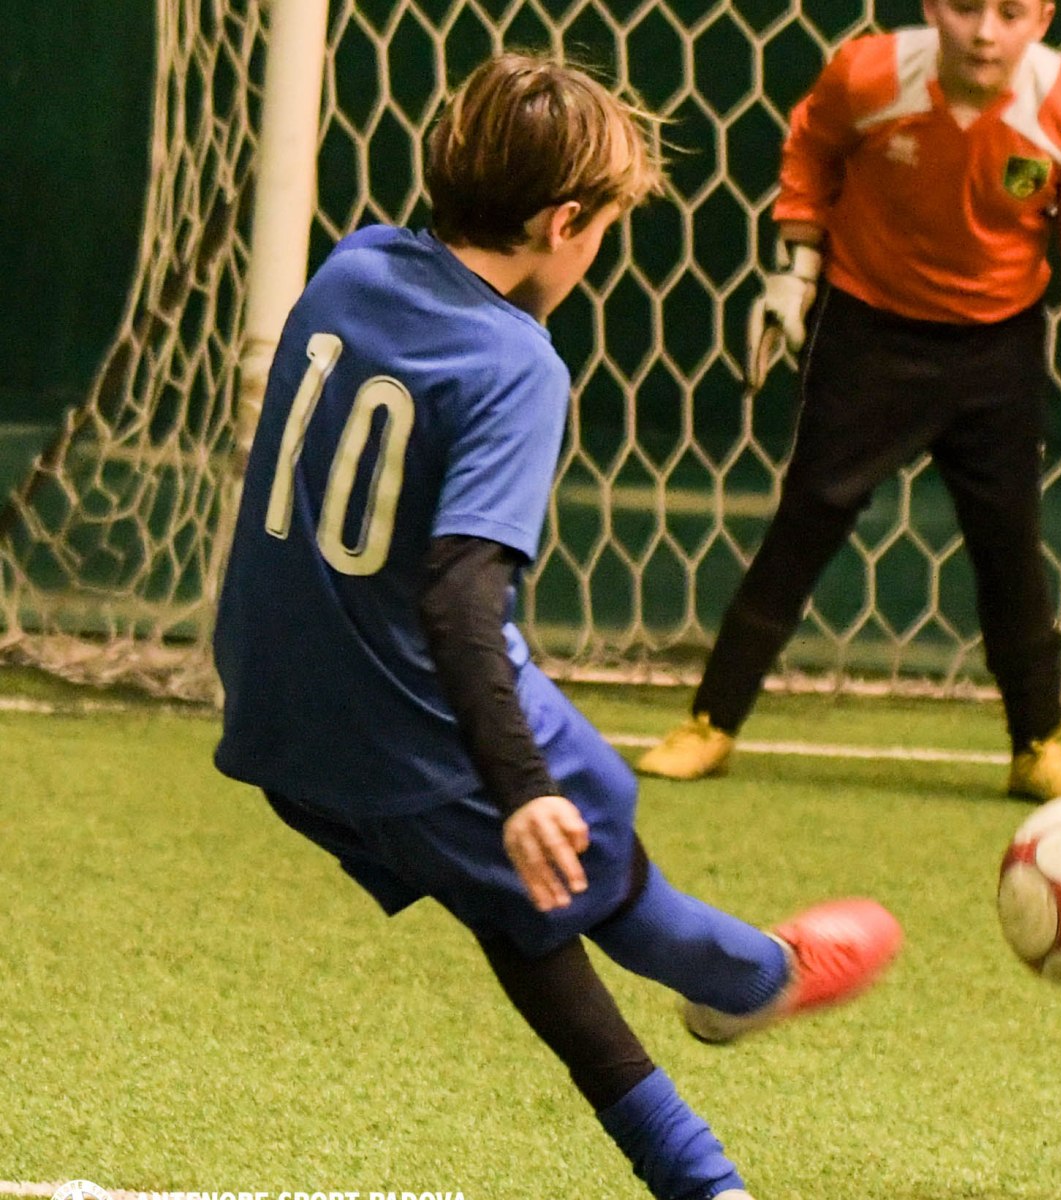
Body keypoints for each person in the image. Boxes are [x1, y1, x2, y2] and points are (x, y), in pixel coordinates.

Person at [211, 52, 901, 1200]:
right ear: (562, 222)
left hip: (273, 706)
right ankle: (748, 989)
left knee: (512, 891)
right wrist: (522, 783)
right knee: (576, 844)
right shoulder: (513, 362)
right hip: (406, 722)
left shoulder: (351, 265)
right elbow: (459, 597)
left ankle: (714, 1108)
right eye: (602, 229)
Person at [636, 0, 1061, 801]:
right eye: (965, 7)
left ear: (1043, 18)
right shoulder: (868, 76)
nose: (985, 32)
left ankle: (1038, 746)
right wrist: (796, 272)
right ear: (929, 7)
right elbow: (810, 151)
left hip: (997, 349)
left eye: (1011, 13)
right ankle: (711, 722)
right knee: (806, 519)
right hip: (870, 332)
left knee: (1010, 547)